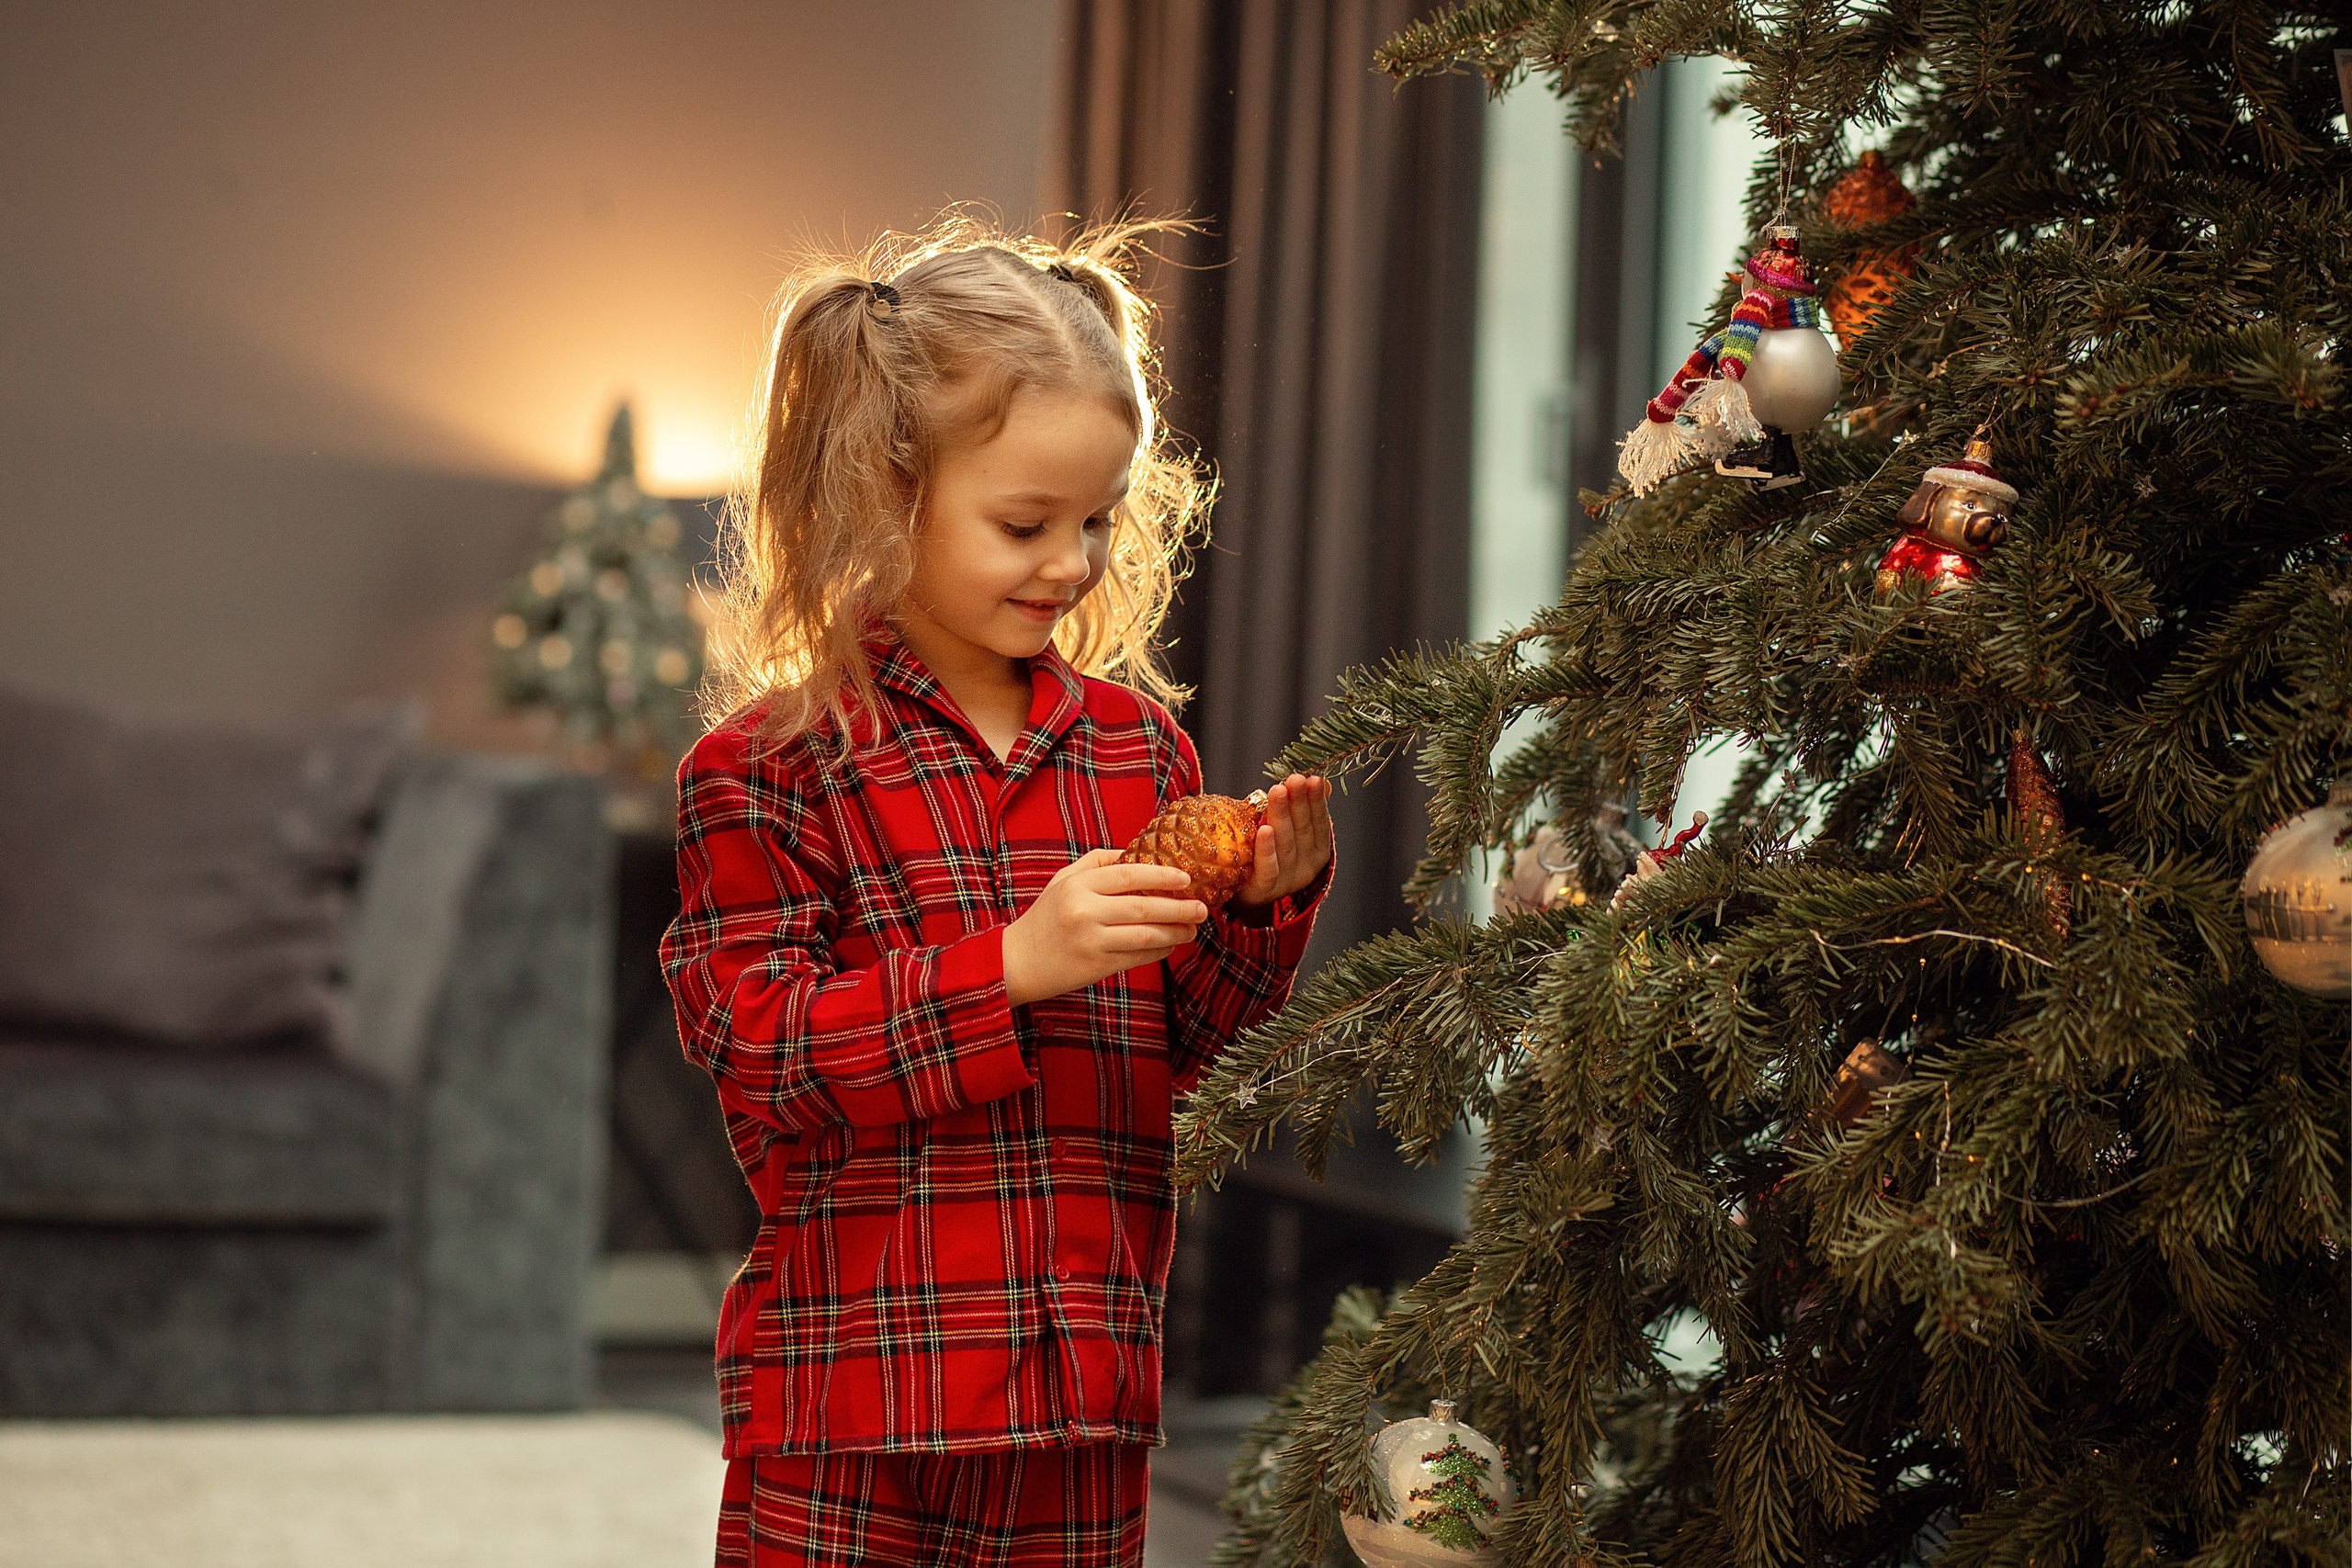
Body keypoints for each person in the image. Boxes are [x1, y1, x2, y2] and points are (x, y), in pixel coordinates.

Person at [660, 215, 1336, 1568]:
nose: (1073, 562)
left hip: (1081, 1392)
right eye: (1025, 523)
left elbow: (1179, 1054)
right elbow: (762, 1049)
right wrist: (1010, 968)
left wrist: (1261, 909)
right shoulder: (771, 767)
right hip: (856, 1397)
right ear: (883, 495)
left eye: (1098, 520)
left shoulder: (1144, 753)